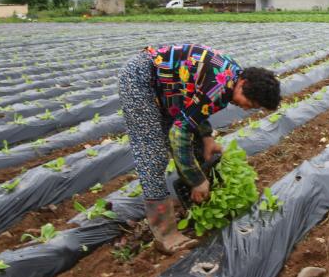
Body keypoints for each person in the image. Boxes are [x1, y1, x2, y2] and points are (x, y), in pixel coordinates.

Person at [118, 44, 281, 253]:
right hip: (141, 80)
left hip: (169, 89)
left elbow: (195, 104)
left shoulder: (230, 78)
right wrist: (197, 180)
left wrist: (206, 138)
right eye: (251, 102)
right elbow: (179, 132)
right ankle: (165, 233)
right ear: (244, 83)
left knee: (194, 144)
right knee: (154, 156)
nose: (248, 108)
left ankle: (198, 206)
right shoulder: (220, 86)